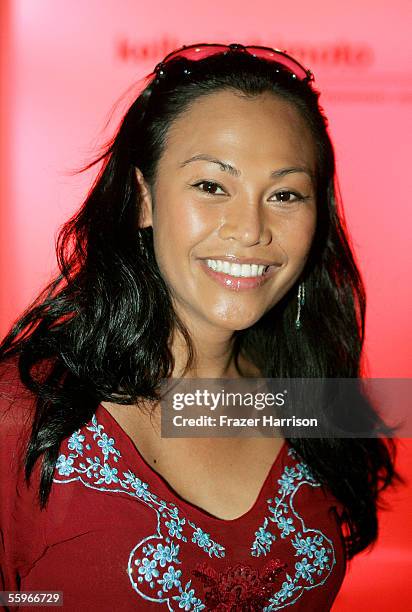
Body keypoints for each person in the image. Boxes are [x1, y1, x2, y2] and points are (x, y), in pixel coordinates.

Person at [0, 42, 399, 611]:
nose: (250, 230)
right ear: (144, 199)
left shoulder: (310, 401)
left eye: (285, 194)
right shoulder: (19, 413)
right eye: (212, 186)